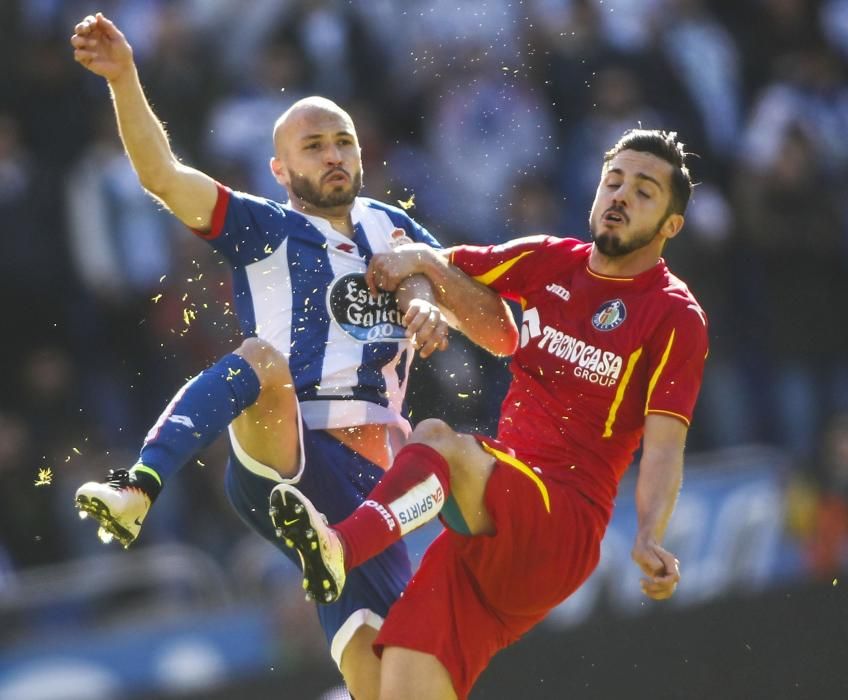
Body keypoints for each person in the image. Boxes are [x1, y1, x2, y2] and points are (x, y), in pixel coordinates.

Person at [68, 13, 517, 700]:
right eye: (313, 146)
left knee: (391, 682)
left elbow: (502, 333)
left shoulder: (395, 229)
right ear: (280, 169)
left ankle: (335, 557)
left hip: (372, 491)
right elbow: (161, 174)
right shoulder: (264, 227)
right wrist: (126, 79)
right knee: (262, 360)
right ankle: (138, 488)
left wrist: (433, 286)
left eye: (343, 142)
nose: (333, 154)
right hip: (288, 442)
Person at [273, 129, 710, 699]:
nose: (621, 196)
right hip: (489, 522)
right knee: (395, 685)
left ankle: (340, 547)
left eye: (645, 191)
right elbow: (442, 266)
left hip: (561, 520)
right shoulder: (551, 259)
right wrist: (412, 272)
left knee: (437, 440)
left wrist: (651, 534)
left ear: (670, 225)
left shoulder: (675, 315)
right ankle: (342, 551)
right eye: (614, 180)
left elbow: (665, 443)